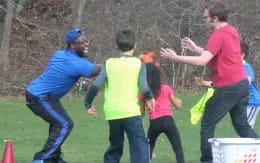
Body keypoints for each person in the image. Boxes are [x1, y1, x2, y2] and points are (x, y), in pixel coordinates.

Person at [160, 2, 258, 163]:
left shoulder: (218, 35)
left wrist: (175, 57)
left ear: (215, 18)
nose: (204, 20)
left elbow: (202, 61)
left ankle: (207, 160)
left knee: (207, 124)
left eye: (206, 17)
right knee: (242, 126)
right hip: (241, 86)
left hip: (228, 88)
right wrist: (196, 48)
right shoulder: (231, 31)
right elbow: (216, 53)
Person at [25, 28, 102, 163]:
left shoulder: (59, 54)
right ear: (72, 45)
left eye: (86, 41)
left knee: (58, 123)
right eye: (82, 42)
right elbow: (95, 70)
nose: (86, 44)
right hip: (39, 96)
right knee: (64, 124)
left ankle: (54, 158)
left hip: (42, 95)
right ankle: (41, 159)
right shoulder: (76, 63)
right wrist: (114, 64)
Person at [84, 30, 155, 163]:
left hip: (113, 113)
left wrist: (88, 103)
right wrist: (150, 98)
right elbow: (144, 88)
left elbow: (95, 85)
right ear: (135, 45)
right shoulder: (138, 63)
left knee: (115, 147)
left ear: (116, 45)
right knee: (140, 147)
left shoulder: (109, 63)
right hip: (131, 113)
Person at [139, 63, 185, 163]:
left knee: (149, 146)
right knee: (177, 147)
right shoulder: (166, 88)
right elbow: (178, 106)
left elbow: (142, 113)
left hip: (155, 122)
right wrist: (179, 101)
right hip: (168, 120)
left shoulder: (144, 93)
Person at [241, 42, 260, 128]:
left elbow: (248, 80)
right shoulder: (234, 68)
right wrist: (204, 83)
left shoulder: (246, 67)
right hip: (244, 102)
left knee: (246, 128)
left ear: (242, 54)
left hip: (252, 102)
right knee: (244, 128)